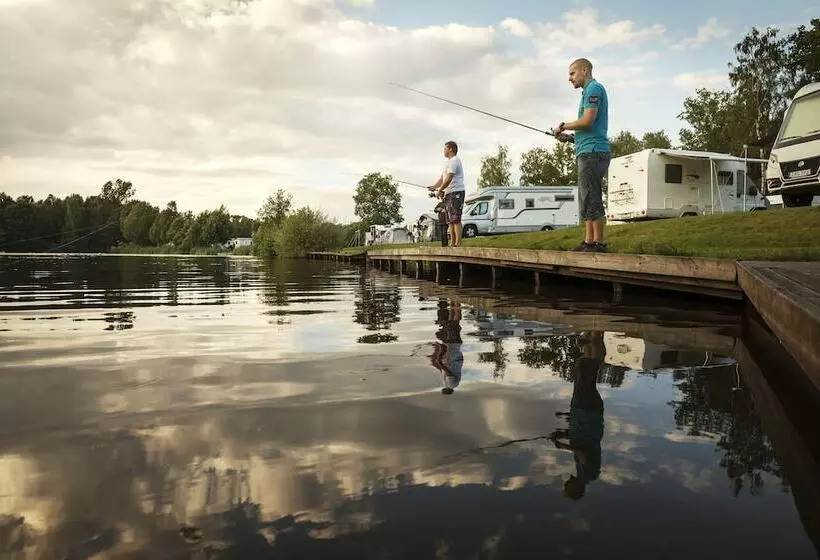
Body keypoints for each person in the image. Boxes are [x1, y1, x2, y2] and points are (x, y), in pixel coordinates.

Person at [553, 58, 611, 253]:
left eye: (572, 73)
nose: (570, 78)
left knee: (592, 195)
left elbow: (587, 121)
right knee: (585, 196)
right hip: (586, 149)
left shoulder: (594, 89)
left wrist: (563, 125)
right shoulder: (587, 92)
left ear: (584, 71)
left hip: (593, 151)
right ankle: (588, 241)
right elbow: (587, 129)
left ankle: (599, 243)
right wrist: (568, 138)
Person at [550, 330, 605, 500]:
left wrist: (564, 433)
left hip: (583, 412)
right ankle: (596, 337)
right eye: (567, 487)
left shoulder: (582, 474)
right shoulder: (589, 475)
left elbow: (581, 443)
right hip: (588, 412)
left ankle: (590, 339)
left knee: (583, 367)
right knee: (585, 370)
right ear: (575, 489)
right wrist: (563, 446)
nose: (566, 483)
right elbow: (584, 453)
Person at [428, 141, 466, 247]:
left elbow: (449, 178)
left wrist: (440, 190)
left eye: (445, 148)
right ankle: (452, 242)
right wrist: (434, 187)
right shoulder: (448, 163)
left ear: (450, 149)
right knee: (450, 220)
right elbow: (442, 178)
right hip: (449, 193)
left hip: (456, 191)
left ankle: (458, 243)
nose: (443, 151)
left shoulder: (454, 161)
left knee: (456, 219)